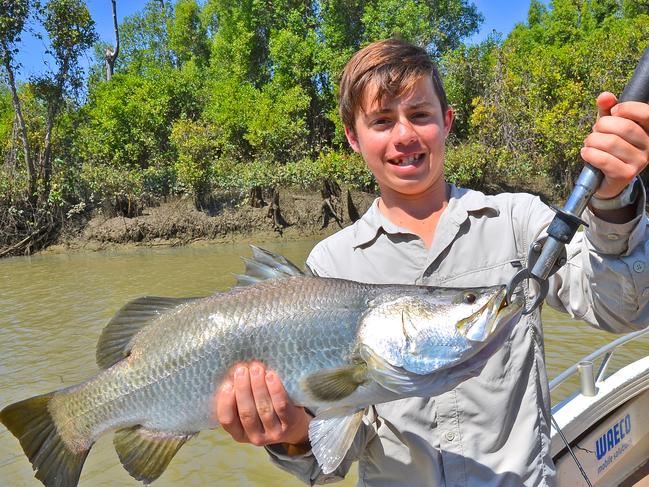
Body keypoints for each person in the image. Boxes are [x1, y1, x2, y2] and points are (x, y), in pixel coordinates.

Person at [214, 38, 649, 486]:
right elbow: (329, 459)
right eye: (381, 121)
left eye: (420, 115)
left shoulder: (519, 220)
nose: (404, 135)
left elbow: (624, 309)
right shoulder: (328, 265)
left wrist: (613, 201)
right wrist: (291, 436)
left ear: (446, 121)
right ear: (353, 137)